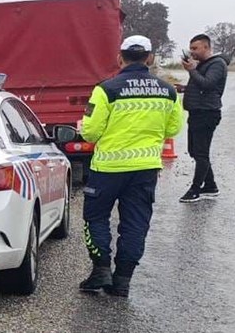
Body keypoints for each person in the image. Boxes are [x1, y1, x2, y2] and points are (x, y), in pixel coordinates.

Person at [77, 35, 184, 298]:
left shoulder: (106, 89)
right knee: (135, 223)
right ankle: (123, 280)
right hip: (145, 169)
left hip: (107, 169)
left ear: (119, 58)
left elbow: (90, 132)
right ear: (150, 58)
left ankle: (101, 270)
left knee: (95, 218)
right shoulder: (168, 91)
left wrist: (87, 129)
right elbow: (173, 128)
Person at [180, 33, 229, 202]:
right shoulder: (203, 64)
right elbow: (201, 85)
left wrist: (191, 70)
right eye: (190, 48)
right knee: (194, 150)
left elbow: (207, 84)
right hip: (196, 112)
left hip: (207, 113)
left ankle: (195, 189)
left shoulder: (217, 64)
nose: (192, 52)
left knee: (201, 153)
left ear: (206, 47)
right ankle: (210, 185)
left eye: (195, 48)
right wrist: (185, 88)